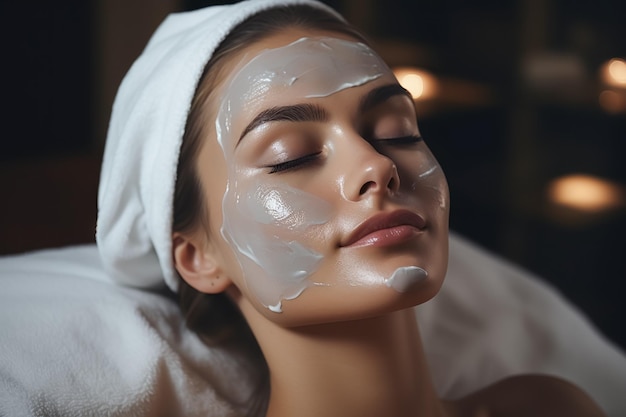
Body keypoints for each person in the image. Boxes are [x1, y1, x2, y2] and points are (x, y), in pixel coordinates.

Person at [96, 0, 607, 416]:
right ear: (196, 258)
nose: (377, 165)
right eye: (290, 157)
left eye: (397, 131)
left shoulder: (549, 406)